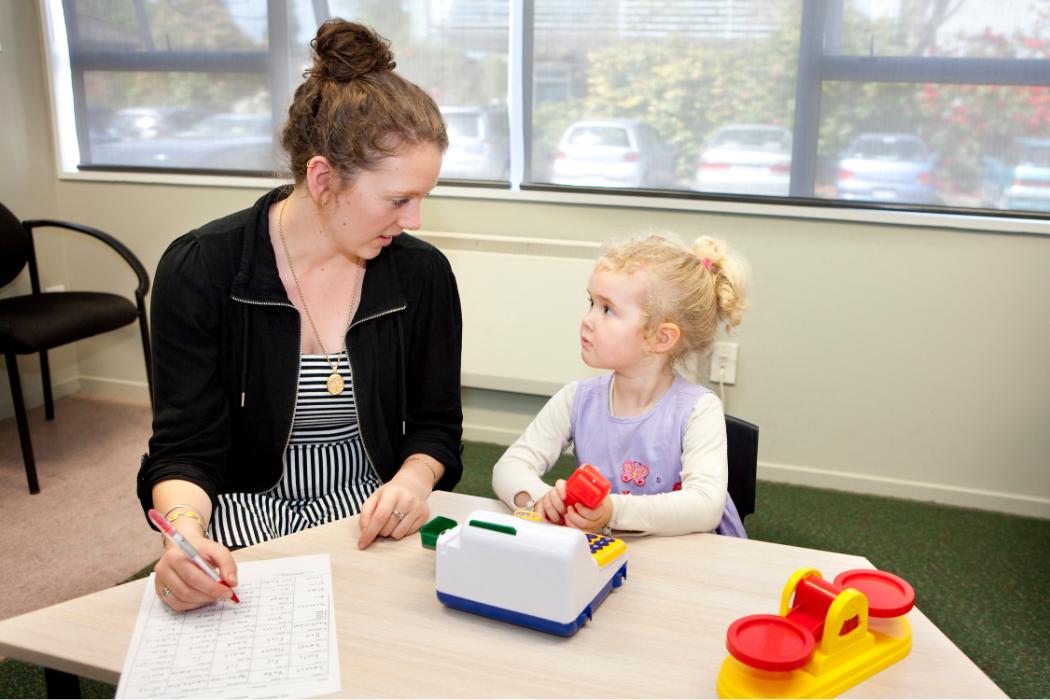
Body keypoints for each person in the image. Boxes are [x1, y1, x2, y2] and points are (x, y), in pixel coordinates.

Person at [137, 20, 463, 612]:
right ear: (322, 178)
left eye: (424, 198)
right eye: (399, 200)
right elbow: (185, 448)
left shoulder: (422, 275)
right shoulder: (202, 269)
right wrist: (184, 534)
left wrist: (414, 481)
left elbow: (436, 425)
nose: (414, 220)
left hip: (373, 525)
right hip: (244, 531)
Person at [491, 232, 749, 538]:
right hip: (610, 552)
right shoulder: (577, 399)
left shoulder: (698, 410)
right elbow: (508, 467)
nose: (587, 319)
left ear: (660, 338)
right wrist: (539, 500)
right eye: (591, 303)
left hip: (690, 561)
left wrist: (612, 511)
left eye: (607, 309)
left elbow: (704, 507)